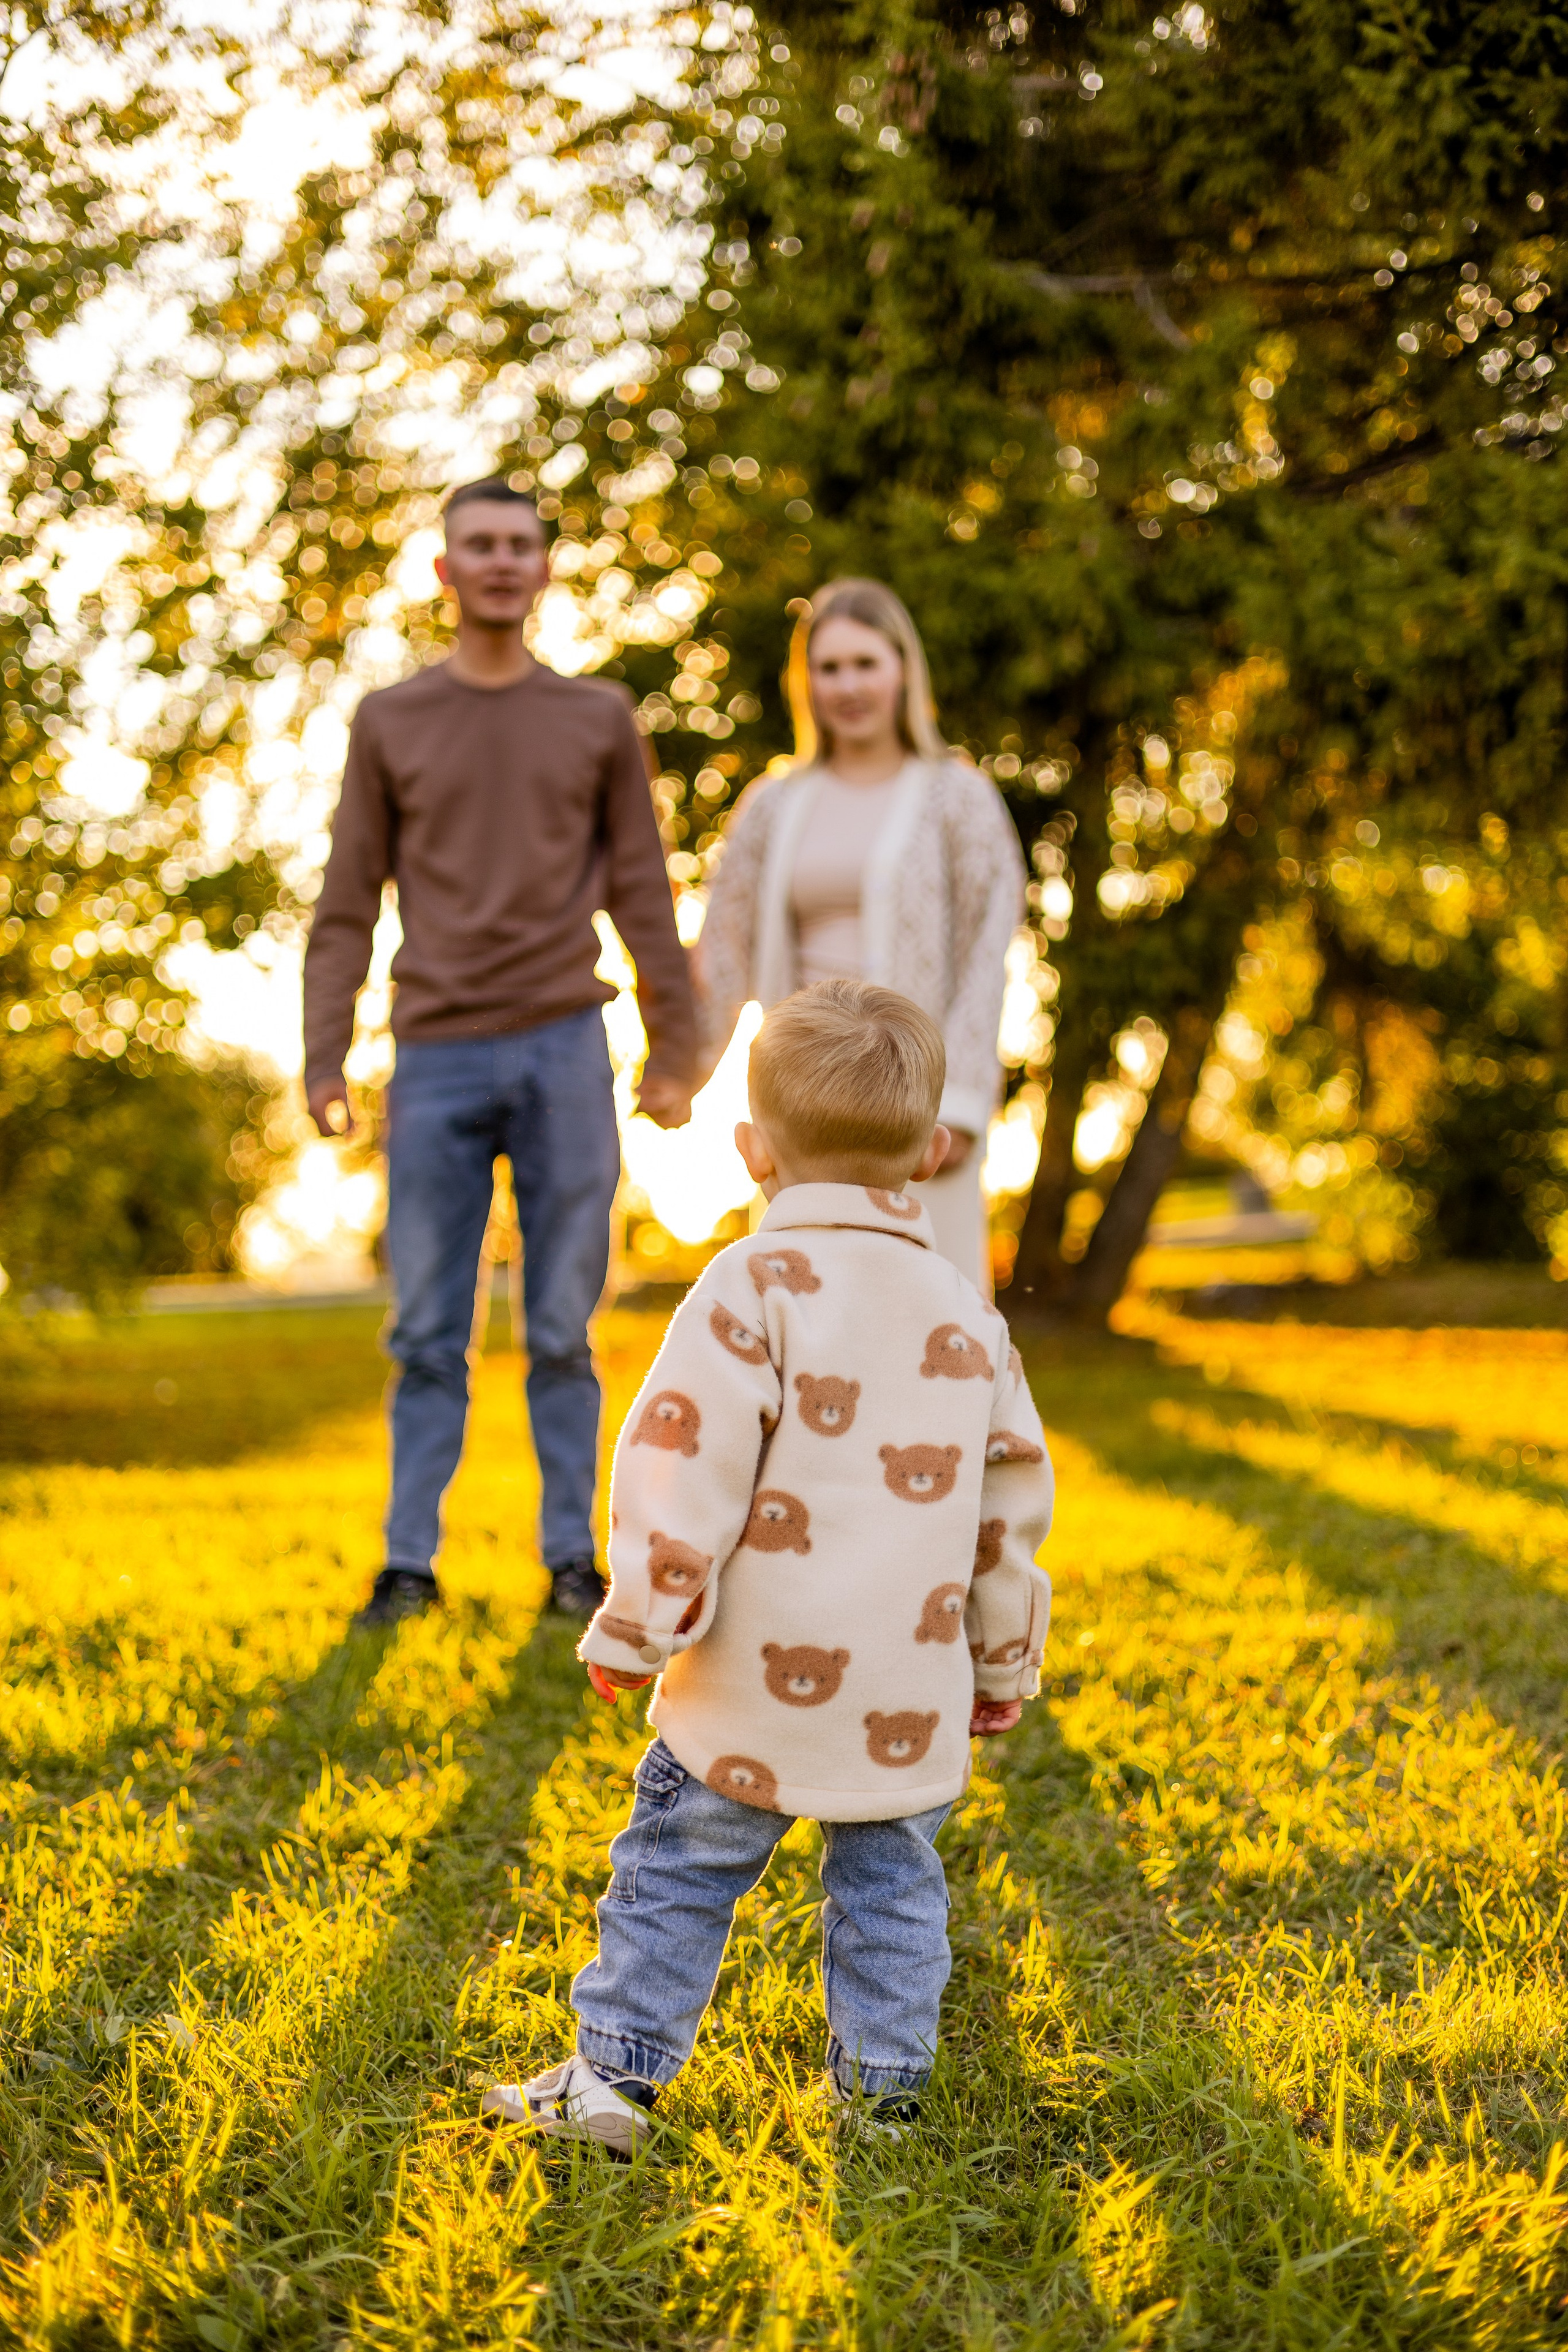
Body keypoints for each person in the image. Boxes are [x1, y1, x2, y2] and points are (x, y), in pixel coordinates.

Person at [481, 979, 1054, 2155]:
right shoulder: (967, 1319)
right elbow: (1008, 1515)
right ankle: (883, 2100)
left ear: (753, 1152)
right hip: (904, 1695)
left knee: (679, 1870)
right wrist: (1000, 1666)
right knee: (893, 1887)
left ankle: (612, 2082)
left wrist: (636, 1629)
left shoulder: (748, 1291)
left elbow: (678, 1474)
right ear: (934, 1152)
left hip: (745, 1690)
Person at [302, 479, 696, 1628]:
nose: (500, 562)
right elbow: (345, 903)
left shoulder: (597, 716)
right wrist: (326, 1054)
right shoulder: (391, 721)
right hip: (433, 1057)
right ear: (444, 571)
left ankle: (577, 1561)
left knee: (563, 1329)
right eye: (478, 545)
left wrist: (672, 1053)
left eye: (521, 545)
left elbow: (644, 894)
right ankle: (408, 1566)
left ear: (544, 569)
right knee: (429, 1328)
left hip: (568, 1045)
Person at [697, 579, 1024, 1289]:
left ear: (902, 668)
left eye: (865, 664)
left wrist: (961, 1100)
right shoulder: (772, 805)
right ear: (805, 681)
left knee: (929, 1324)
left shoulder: (955, 796)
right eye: (829, 667)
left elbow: (986, 952)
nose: (847, 685)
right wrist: (681, 1070)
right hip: (801, 1101)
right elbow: (723, 946)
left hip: (916, 1099)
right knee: (806, 1316)